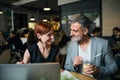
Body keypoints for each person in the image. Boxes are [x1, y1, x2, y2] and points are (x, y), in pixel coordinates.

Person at [64, 14, 118, 80]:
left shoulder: (103, 44)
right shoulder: (71, 45)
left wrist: (98, 70)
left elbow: (114, 68)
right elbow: (67, 66)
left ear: (85, 31)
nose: (70, 34)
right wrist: (74, 65)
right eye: (71, 30)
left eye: (75, 31)